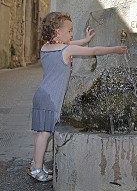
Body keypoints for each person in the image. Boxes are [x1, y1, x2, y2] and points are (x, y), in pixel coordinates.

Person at [27, 11, 127, 182]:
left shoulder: (46, 47)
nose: (72, 34)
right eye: (69, 31)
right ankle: (37, 169)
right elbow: (93, 50)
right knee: (45, 133)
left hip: (41, 94)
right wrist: (115, 49)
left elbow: (71, 43)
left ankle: (37, 163)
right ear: (58, 32)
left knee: (41, 133)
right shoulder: (66, 50)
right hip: (50, 98)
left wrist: (85, 40)